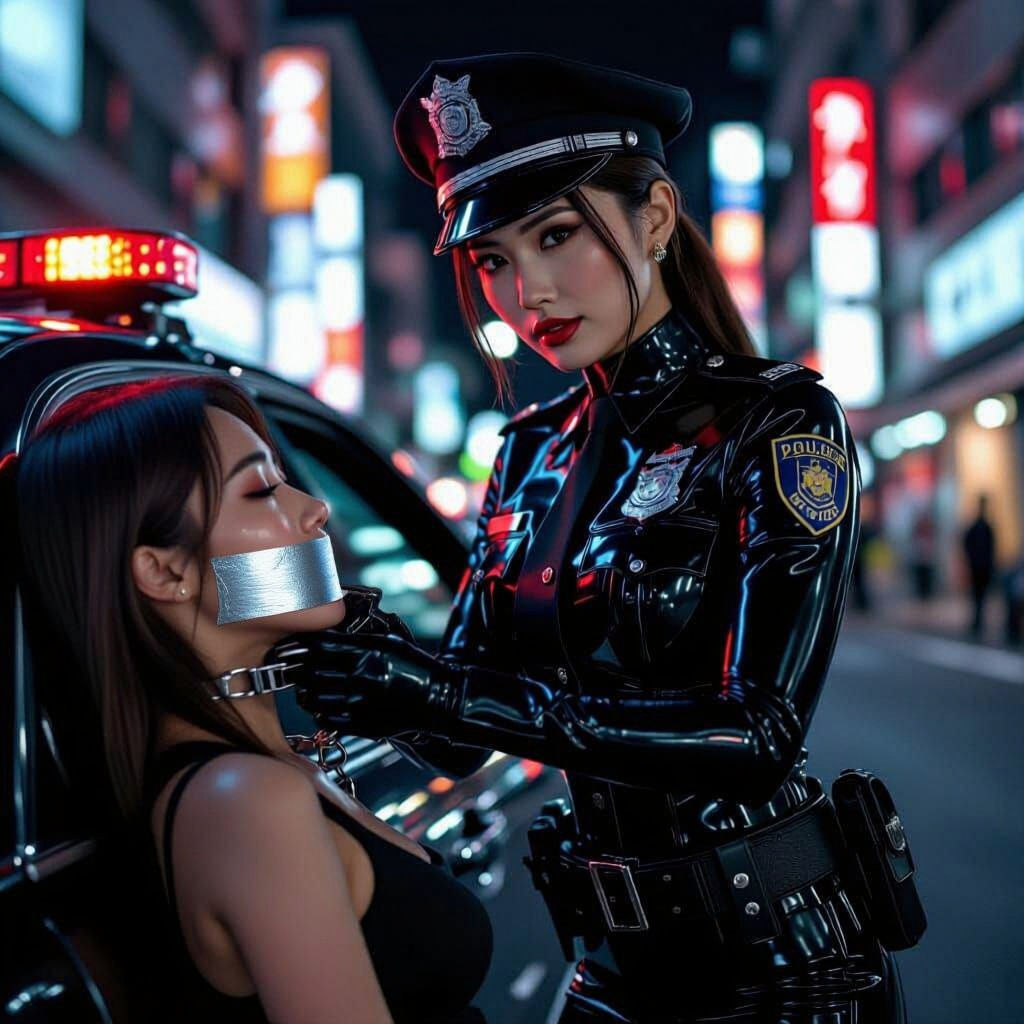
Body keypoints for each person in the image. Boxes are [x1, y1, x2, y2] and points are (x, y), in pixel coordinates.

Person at [279, 54, 913, 1022]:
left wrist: (437, 687)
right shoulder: (526, 453)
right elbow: (455, 730)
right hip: (608, 965)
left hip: (782, 968)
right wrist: (335, 655)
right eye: (491, 260)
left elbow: (756, 733)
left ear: (654, 217)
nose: (525, 291)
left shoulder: (776, 425)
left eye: (557, 234)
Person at [15, 375, 491, 1024]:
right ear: (164, 572)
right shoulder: (245, 799)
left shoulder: (263, 765)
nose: (314, 508)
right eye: (263, 488)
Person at [962, 494, 996, 638]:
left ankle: (978, 620)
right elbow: (967, 543)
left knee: (981, 595)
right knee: (977, 595)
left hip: (983, 566)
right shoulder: (977, 527)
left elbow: (992, 547)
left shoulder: (986, 527)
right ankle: (976, 620)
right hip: (977, 566)